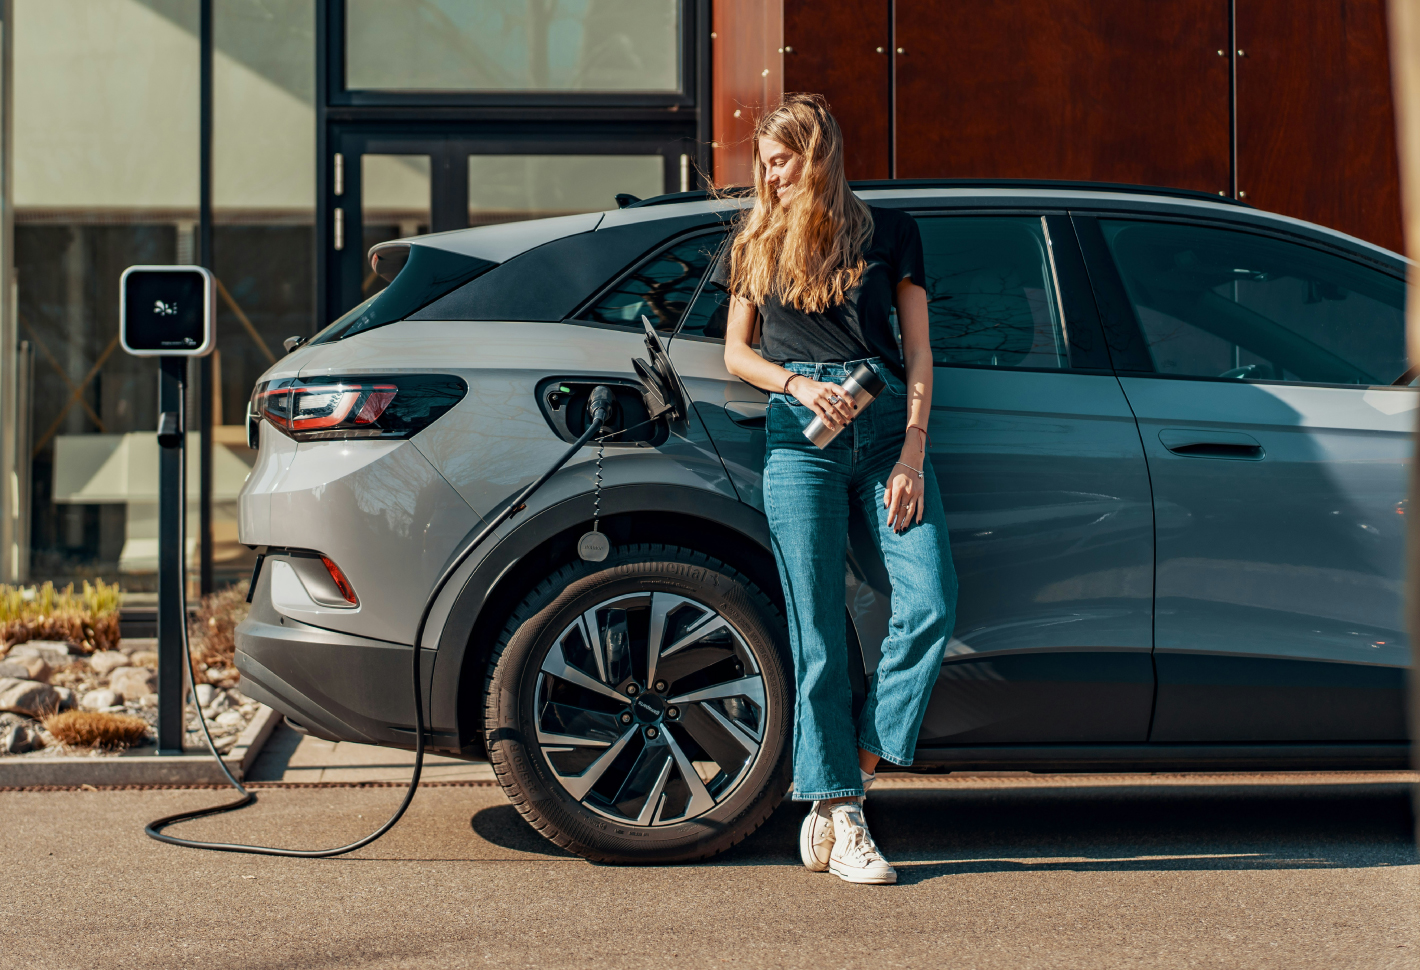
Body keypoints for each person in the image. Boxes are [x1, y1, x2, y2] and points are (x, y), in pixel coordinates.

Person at [720, 94, 957, 885]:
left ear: (816, 154)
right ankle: (841, 813)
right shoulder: (756, 235)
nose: (769, 174)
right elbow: (735, 355)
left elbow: (919, 353)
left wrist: (913, 453)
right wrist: (793, 384)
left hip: (887, 430)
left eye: (781, 159)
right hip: (802, 443)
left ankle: (846, 775)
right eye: (765, 161)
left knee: (931, 602)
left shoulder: (889, 232)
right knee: (817, 628)